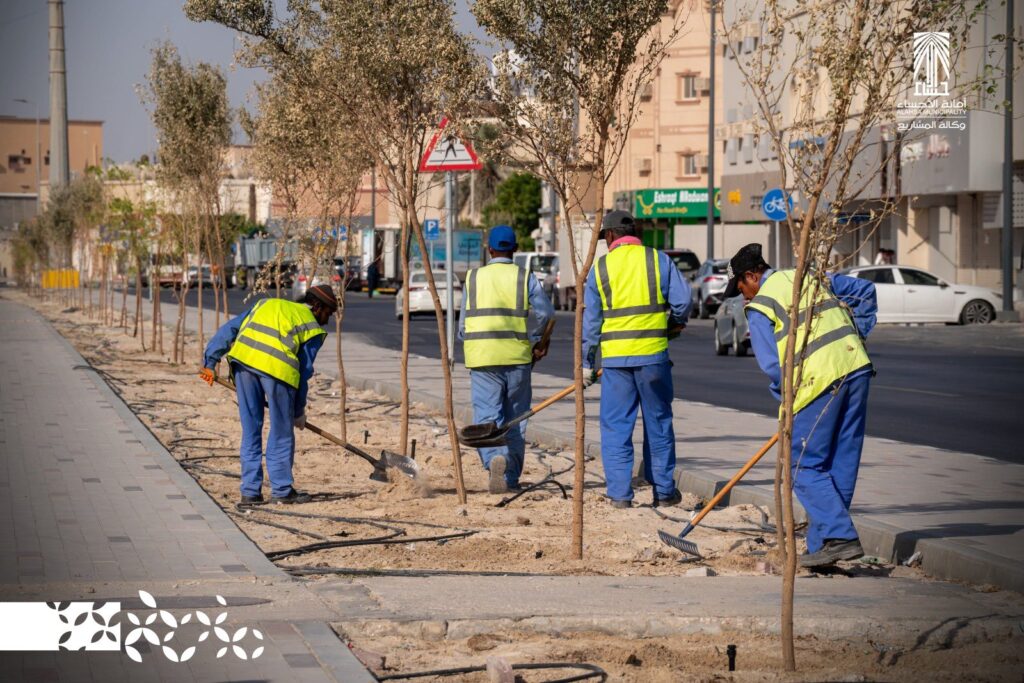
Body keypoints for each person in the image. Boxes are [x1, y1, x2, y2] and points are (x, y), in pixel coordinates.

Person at [724, 243, 876, 567]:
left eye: (741, 288)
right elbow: (864, 291)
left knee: (802, 466)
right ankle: (825, 547)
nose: (744, 297)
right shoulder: (807, 276)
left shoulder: (761, 306)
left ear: (752, 275)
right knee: (839, 465)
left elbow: (772, 367)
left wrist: (786, 403)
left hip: (818, 383)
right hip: (857, 368)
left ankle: (841, 536)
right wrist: (856, 334)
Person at [582, 210, 691, 508]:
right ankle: (665, 492)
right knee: (658, 422)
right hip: (654, 357)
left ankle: (619, 495)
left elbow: (591, 324)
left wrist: (587, 364)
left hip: (616, 364)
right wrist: (673, 325)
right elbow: (683, 301)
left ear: (609, 236)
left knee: (616, 427)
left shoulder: (600, 268)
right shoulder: (659, 260)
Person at [199, 285, 338, 504]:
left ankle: (250, 492)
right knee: (281, 432)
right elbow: (304, 372)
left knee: (251, 429)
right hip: (278, 373)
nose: (327, 319)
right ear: (318, 306)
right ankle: (282, 491)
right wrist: (298, 411)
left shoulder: (267, 303)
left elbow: (229, 329)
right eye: (328, 313)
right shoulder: (312, 327)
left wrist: (210, 362)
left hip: (243, 366)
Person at [459, 225, 555, 493]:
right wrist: (537, 340)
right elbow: (546, 313)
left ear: (489, 249)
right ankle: (510, 477)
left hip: (482, 359)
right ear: (514, 250)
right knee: (516, 418)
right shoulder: (524, 277)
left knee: (488, 416)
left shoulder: (473, 278)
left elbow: (462, 328)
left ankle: (493, 462)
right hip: (517, 356)